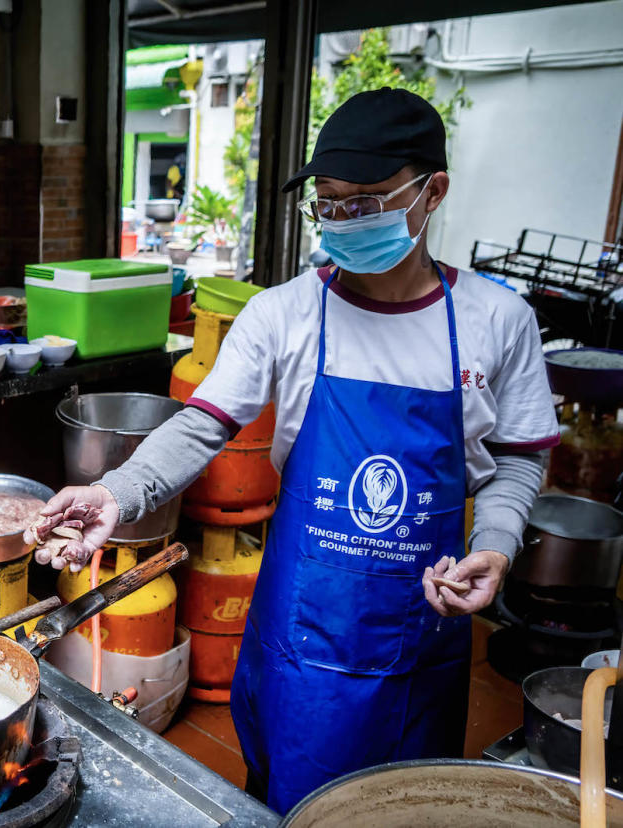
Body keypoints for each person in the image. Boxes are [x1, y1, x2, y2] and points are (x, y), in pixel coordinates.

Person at [32, 88, 559, 813]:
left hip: (422, 626)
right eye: (330, 204)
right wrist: (115, 493)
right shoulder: (283, 313)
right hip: (303, 630)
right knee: (288, 799)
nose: (344, 222)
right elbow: (201, 425)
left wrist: (494, 547)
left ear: (432, 191)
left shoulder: (497, 321)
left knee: (406, 805)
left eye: (367, 203)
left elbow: (520, 457)